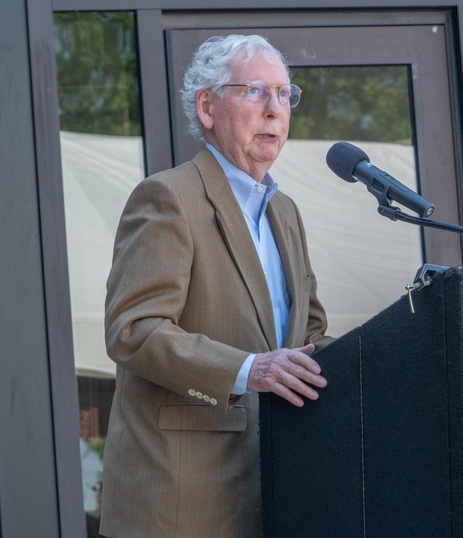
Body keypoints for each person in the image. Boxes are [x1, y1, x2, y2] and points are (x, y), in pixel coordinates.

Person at [99, 34, 333, 538]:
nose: (275, 110)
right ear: (207, 106)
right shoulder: (168, 197)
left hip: (275, 490)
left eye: (284, 94)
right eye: (255, 91)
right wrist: (250, 369)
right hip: (183, 500)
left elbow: (312, 337)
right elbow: (133, 330)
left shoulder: (285, 212)